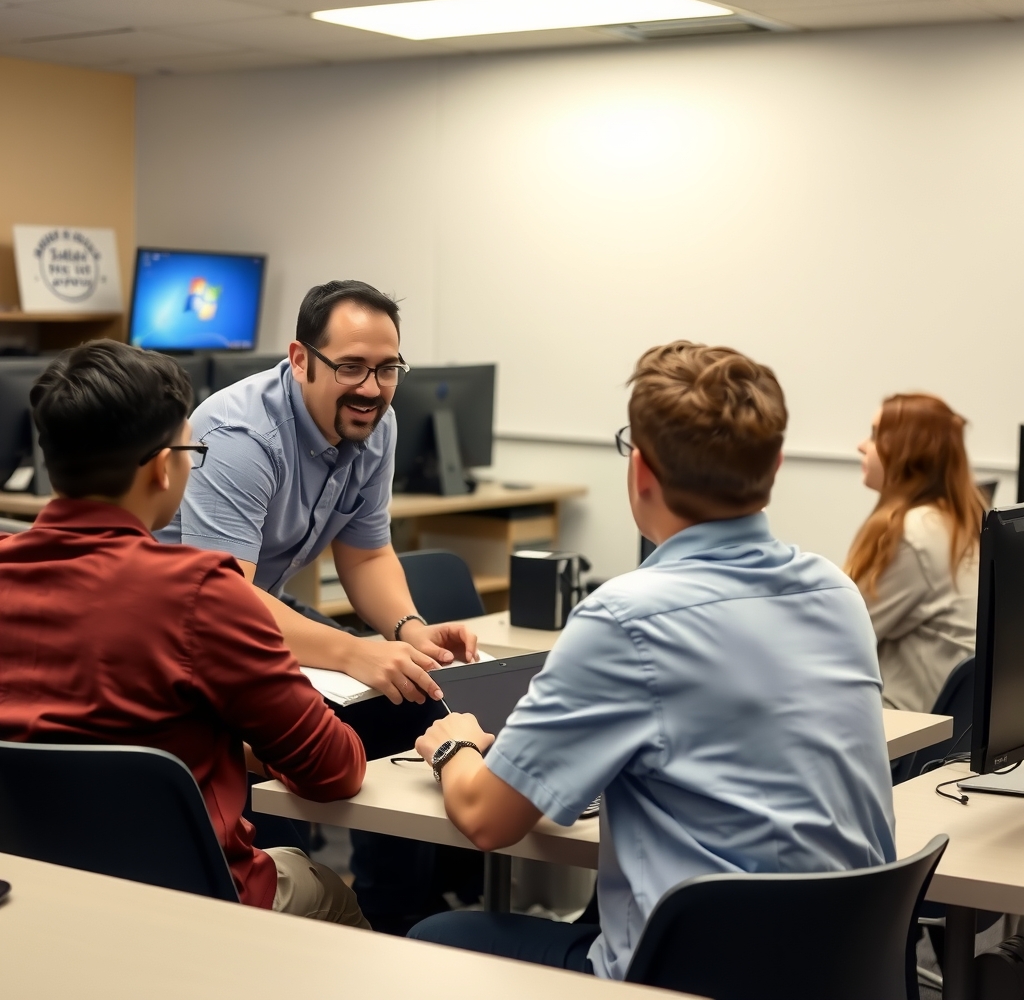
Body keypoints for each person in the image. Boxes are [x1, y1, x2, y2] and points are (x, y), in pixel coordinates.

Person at [406, 340, 896, 978]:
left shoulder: (624, 619)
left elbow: (487, 820)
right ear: (775, 466)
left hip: (692, 978)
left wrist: (455, 745)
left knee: (430, 936)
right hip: (844, 970)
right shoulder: (836, 591)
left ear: (640, 471)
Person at [0, 341, 369, 925]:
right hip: (189, 910)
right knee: (326, 887)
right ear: (160, 466)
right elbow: (335, 770)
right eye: (191, 449)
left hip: (32, 902)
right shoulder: (200, 593)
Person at [158, 279, 479, 755]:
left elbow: (367, 557)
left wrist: (412, 632)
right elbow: (226, 600)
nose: (371, 390)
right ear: (301, 359)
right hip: (181, 634)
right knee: (326, 736)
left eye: (387, 369)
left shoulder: (376, 424)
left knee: (414, 702)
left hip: (258, 609)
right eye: (350, 368)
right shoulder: (241, 437)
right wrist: (354, 653)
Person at [847, 393, 985, 712]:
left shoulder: (912, 534)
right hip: (941, 727)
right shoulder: (949, 522)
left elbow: (840, 631)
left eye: (874, 434)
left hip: (903, 735)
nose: (861, 445)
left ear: (909, 452)